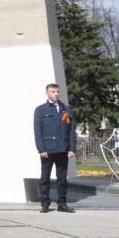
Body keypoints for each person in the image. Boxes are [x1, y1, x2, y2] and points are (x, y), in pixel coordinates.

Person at [33, 83, 77, 213]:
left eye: (57, 91)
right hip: (48, 149)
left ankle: (62, 203)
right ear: (47, 93)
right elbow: (38, 131)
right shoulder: (40, 110)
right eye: (52, 92)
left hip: (63, 149)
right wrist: (41, 149)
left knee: (62, 178)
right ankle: (45, 203)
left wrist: (72, 149)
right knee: (45, 177)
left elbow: (71, 131)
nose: (56, 94)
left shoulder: (66, 109)